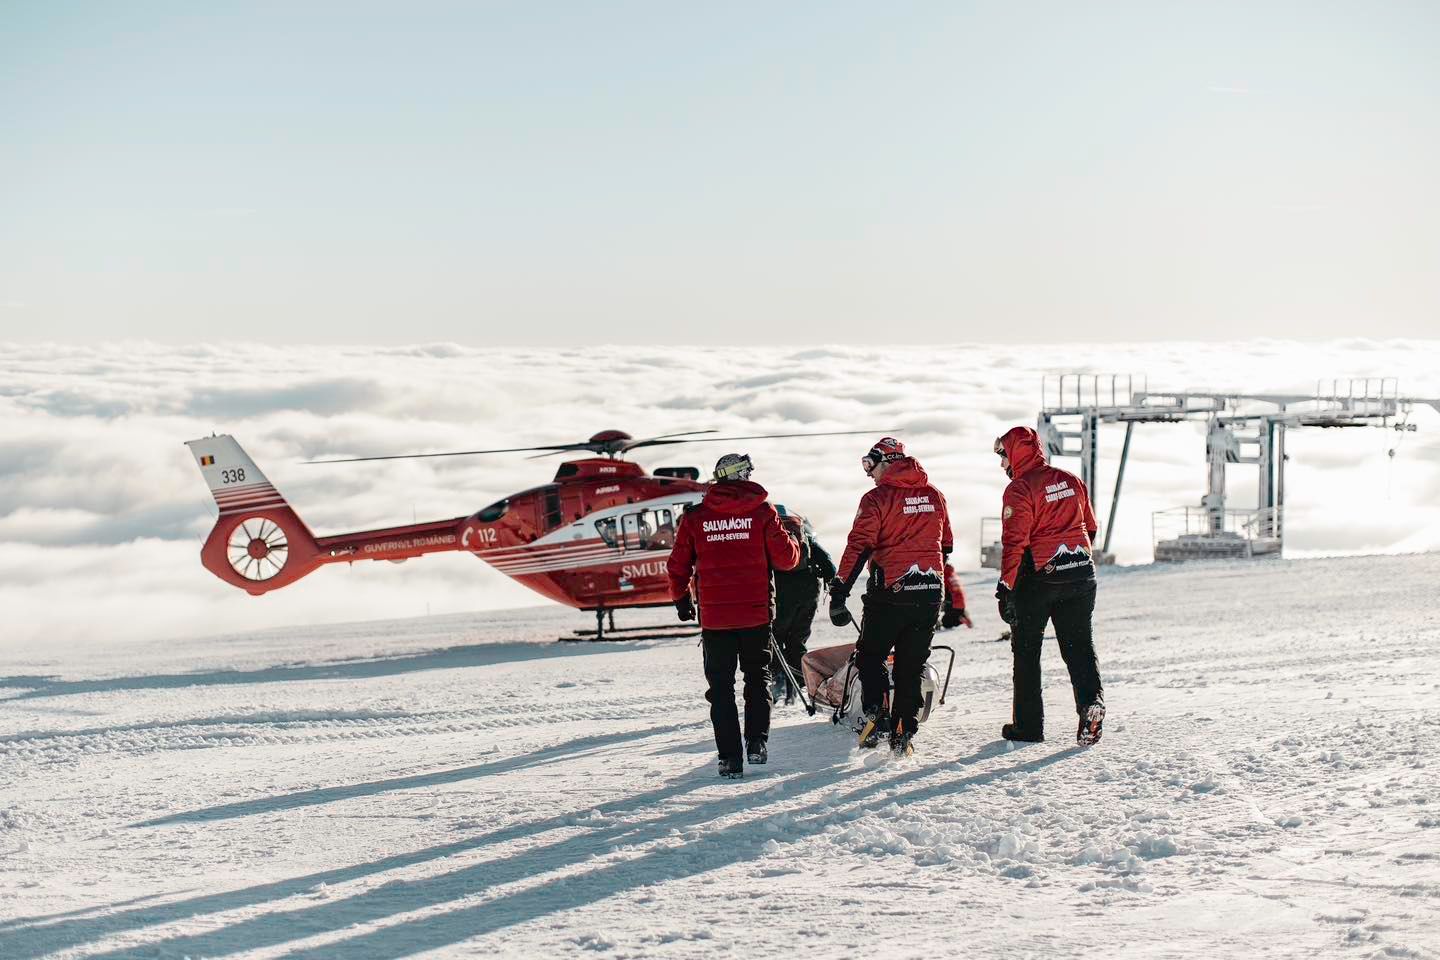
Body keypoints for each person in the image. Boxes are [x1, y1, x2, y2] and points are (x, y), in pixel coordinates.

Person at [668, 453, 801, 779]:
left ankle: (729, 759)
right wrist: (794, 536)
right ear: (742, 476)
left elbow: (677, 566)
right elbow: (787, 561)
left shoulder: (695, 517)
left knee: (721, 690)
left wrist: (681, 599)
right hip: (756, 615)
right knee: (757, 680)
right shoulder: (762, 512)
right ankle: (756, 743)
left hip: (715, 619)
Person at [828, 437, 953, 756]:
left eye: (870, 465)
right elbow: (946, 544)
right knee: (911, 664)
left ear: (885, 462)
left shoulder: (876, 498)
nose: (868, 473)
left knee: (871, 655)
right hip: (929, 590)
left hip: (891, 591)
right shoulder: (934, 495)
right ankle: (904, 730)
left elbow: (859, 546)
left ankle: (877, 716)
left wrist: (840, 591)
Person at [993, 426, 1106, 746]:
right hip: (1081, 574)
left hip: (1039, 577)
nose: (1002, 464)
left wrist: (1006, 587)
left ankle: (1028, 727)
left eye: (1003, 456)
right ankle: (1091, 705)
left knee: (1027, 652)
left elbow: (1014, 543)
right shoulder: (1072, 480)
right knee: (1079, 647)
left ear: (1014, 453)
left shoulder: (1019, 489)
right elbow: (1092, 527)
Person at [769, 506, 836, 704]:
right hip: (807, 593)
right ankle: (798, 684)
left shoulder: (770, 533)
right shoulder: (804, 533)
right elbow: (828, 564)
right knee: (797, 641)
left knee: (774, 640)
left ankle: (779, 679)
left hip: (780, 594)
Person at [939, 562, 973, 631]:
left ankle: (960, 619)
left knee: (946, 623)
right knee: (952, 612)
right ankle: (962, 614)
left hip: (954, 603)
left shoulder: (944, 574)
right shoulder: (952, 573)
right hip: (961, 603)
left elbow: (942, 589)